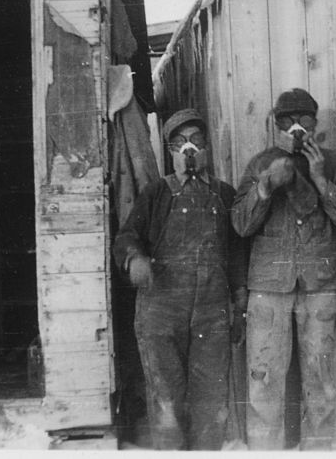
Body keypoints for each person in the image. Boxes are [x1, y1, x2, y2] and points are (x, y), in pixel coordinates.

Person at [231, 88, 336, 450]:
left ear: (315, 124)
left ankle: (318, 450)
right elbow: (240, 226)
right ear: (276, 126)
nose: (295, 129)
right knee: (264, 379)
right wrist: (264, 186)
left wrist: (321, 180)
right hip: (269, 285)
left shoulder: (333, 164)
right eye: (286, 122)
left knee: (320, 382)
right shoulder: (260, 163)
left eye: (303, 120)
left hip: (320, 283)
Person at [112, 108, 247, 450]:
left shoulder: (224, 194)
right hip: (161, 312)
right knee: (166, 401)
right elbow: (125, 237)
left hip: (211, 312)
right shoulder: (156, 194)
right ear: (170, 151)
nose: (188, 149)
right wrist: (135, 260)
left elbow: (236, 253)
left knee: (211, 401)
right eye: (179, 143)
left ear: (207, 148)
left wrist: (241, 299)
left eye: (196, 141)